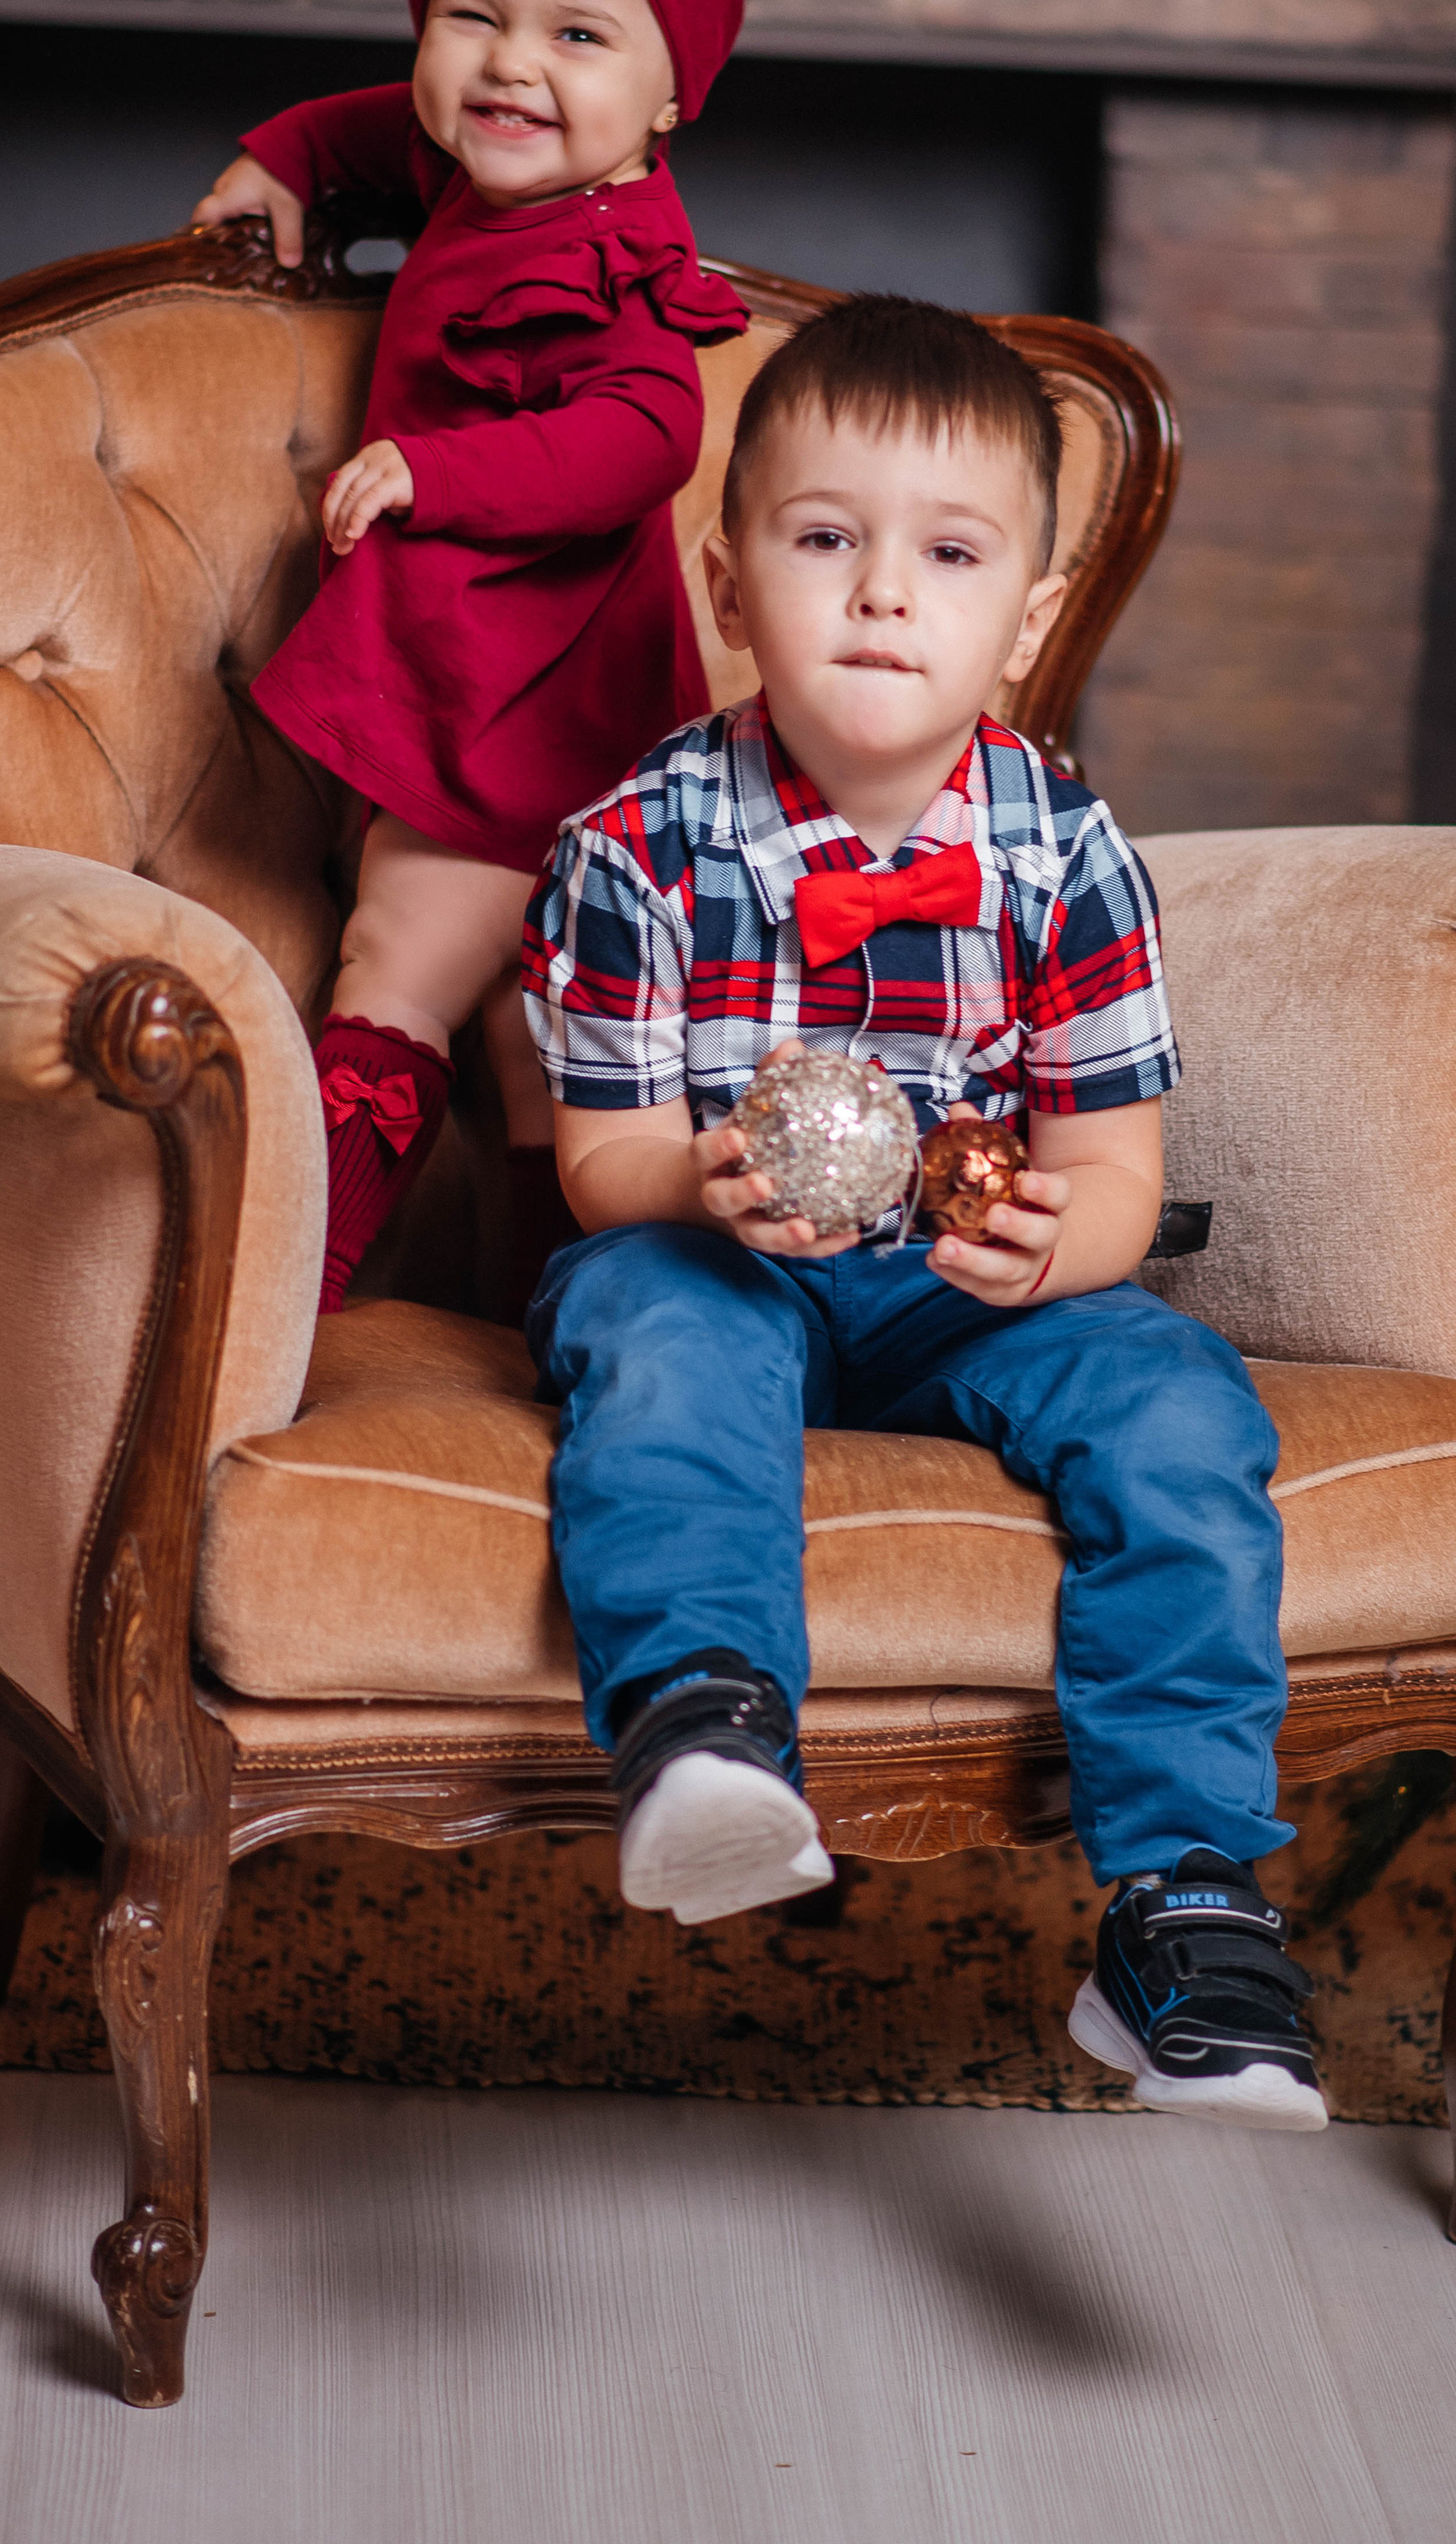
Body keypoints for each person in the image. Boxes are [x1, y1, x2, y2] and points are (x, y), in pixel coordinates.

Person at [519, 293, 1326, 2130]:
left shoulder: (1064, 847)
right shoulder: (633, 843)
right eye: (824, 542)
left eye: (945, 555)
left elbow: (1111, 1166)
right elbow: (601, 1153)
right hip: (727, 1260)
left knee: (1182, 1411)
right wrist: (701, 1182)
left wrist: (1059, 1248)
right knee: (654, 1335)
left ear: (1026, 621)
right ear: (729, 588)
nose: (882, 594)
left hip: (969, 1293)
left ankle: (1180, 1904)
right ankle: (706, 1736)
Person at [194, 0, 754, 1316]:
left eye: (579, 35)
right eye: (470, 17)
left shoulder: (607, 260)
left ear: (672, 91)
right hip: (514, 698)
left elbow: (646, 432)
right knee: (538, 1057)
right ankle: (558, 1323)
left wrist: (445, 473)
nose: (510, 69)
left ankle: (266, 1309)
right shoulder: (490, 162)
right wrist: (280, 163)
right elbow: (372, 127)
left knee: (396, 969)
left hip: (534, 724)